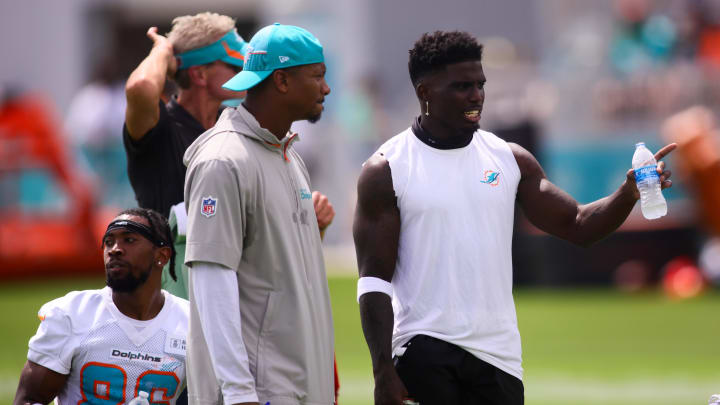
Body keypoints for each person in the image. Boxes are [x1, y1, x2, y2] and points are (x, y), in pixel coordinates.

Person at [353, 30, 676, 405]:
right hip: (424, 349)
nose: (476, 95)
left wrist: (628, 193)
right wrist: (382, 373)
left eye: (479, 84)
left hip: (498, 358)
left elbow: (578, 225)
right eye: (461, 86)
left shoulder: (509, 159)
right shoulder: (388, 169)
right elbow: (373, 280)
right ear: (425, 92)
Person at [122, 13, 335, 298]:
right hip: (170, 297)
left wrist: (309, 222)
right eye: (236, 64)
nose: (246, 70)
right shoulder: (161, 129)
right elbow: (140, 87)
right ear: (199, 75)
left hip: (231, 285)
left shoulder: (236, 125)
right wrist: (163, 51)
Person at [182, 23, 335, 405]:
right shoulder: (223, 161)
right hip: (257, 395)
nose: (326, 88)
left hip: (298, 388)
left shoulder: (288, 156)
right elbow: (211, 282)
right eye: (317, 76)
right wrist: (238, 392)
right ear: (281, 80)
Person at [13, 208, 189, 405]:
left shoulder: (190, 322)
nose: (114, 249)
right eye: (108, 242)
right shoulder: (71, 314)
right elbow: (28, 400)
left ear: (162, 256)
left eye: (129, 240)